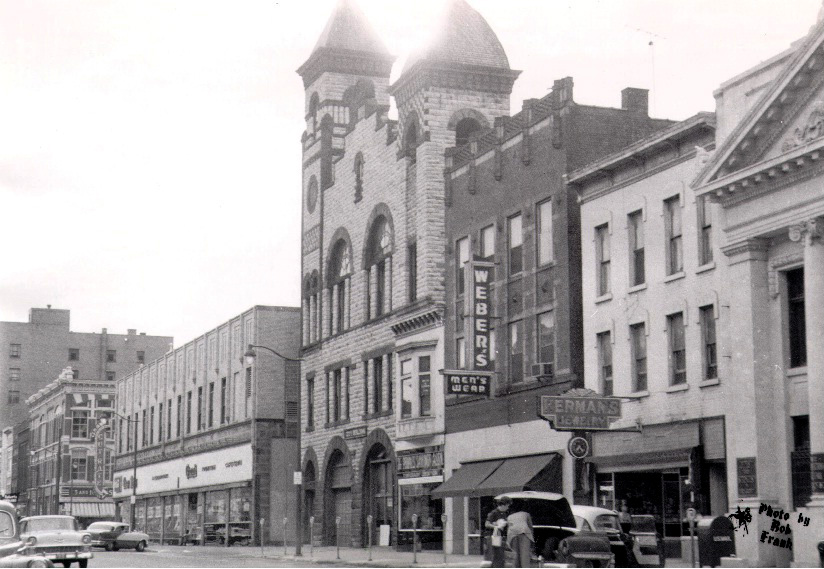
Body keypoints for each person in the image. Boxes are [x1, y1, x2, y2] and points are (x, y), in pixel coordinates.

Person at [485, 496, 511, 568]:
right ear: (503, 505)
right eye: (507, 506)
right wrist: (496, 526)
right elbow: (487, 524)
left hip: (501, 537)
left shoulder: (505, 513)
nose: (508, 508)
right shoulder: (494, 513)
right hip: (494, 536)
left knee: (501, 556)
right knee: (496, 555)